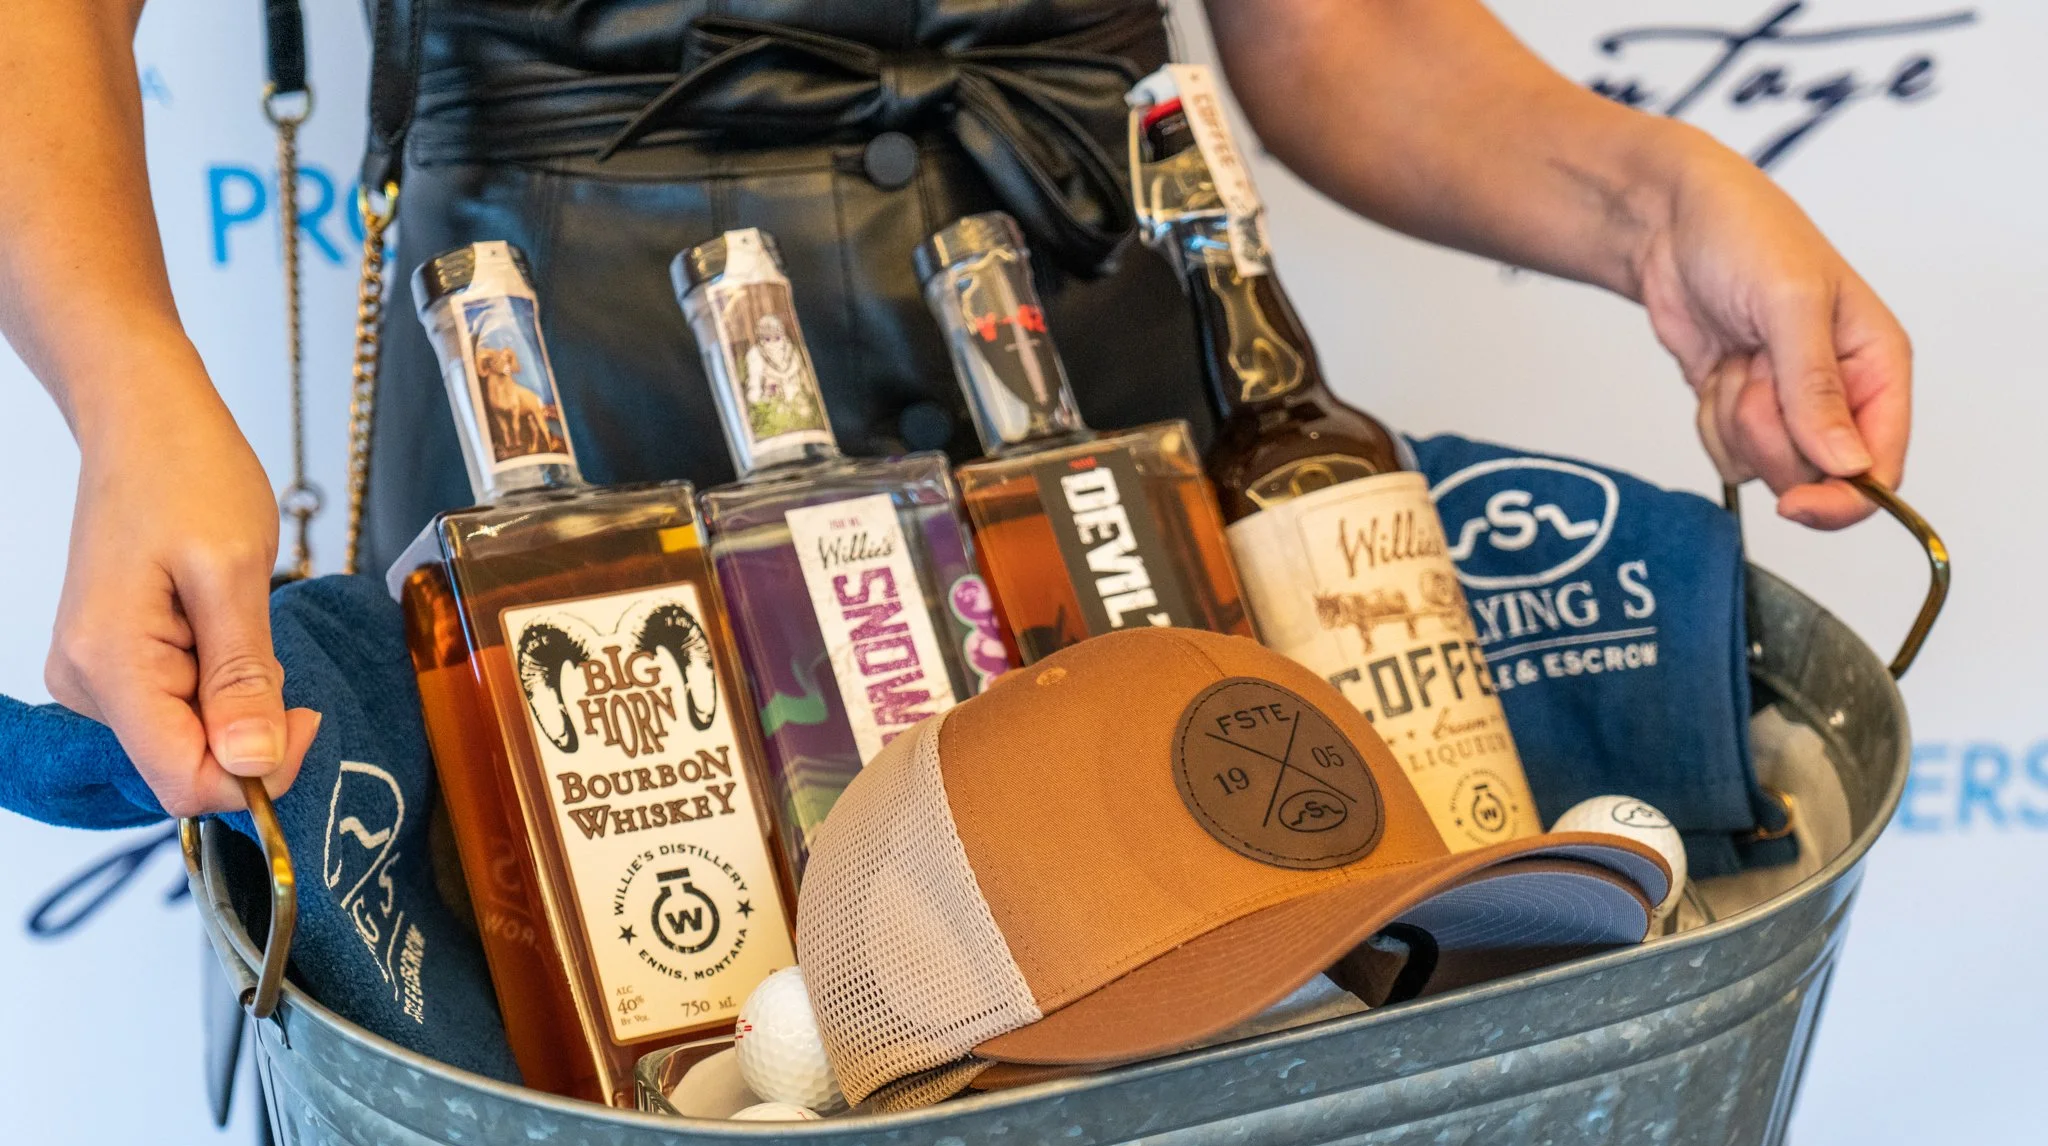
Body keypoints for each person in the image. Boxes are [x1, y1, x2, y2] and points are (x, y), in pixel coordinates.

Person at [0, 1, 1910, 822]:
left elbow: (1335, 28)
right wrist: (126, 379)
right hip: (578, 432)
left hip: (1103, 402)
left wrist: (1655, 209)